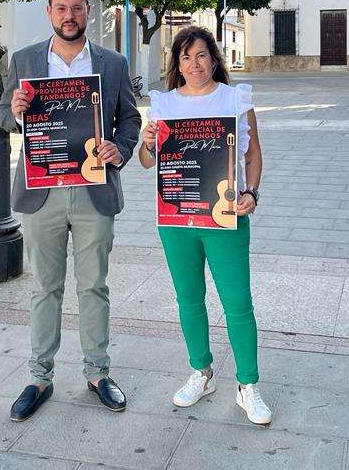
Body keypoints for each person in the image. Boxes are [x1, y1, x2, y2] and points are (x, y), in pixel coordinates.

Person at [0, 0, 140, 421]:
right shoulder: (25, 60)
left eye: (77, 8)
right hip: (43, 192)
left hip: (94, 191)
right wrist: (15, 113)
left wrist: (121, 147)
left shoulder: (113, 63)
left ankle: (98, 373)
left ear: (88, 11)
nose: (69, 16)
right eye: (61, 8)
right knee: (45, 288)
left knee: (94, 285)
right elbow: (2, 115)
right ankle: (39, 378)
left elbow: (130, 119)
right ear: (49, 12)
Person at [138, 25, 271, 425]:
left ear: (214, 60)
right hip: (177, 220)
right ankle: (202, 371)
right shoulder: (163, 105)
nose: (194, 64)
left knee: (238, 302)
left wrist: (252, 194)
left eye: (200, 55)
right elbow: (146, 162)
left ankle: (248, 385)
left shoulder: (236, 99)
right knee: (189, 299)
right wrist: (148, 143)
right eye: (185, 57)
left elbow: (253, 156)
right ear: (177, 65)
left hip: (225, 217)